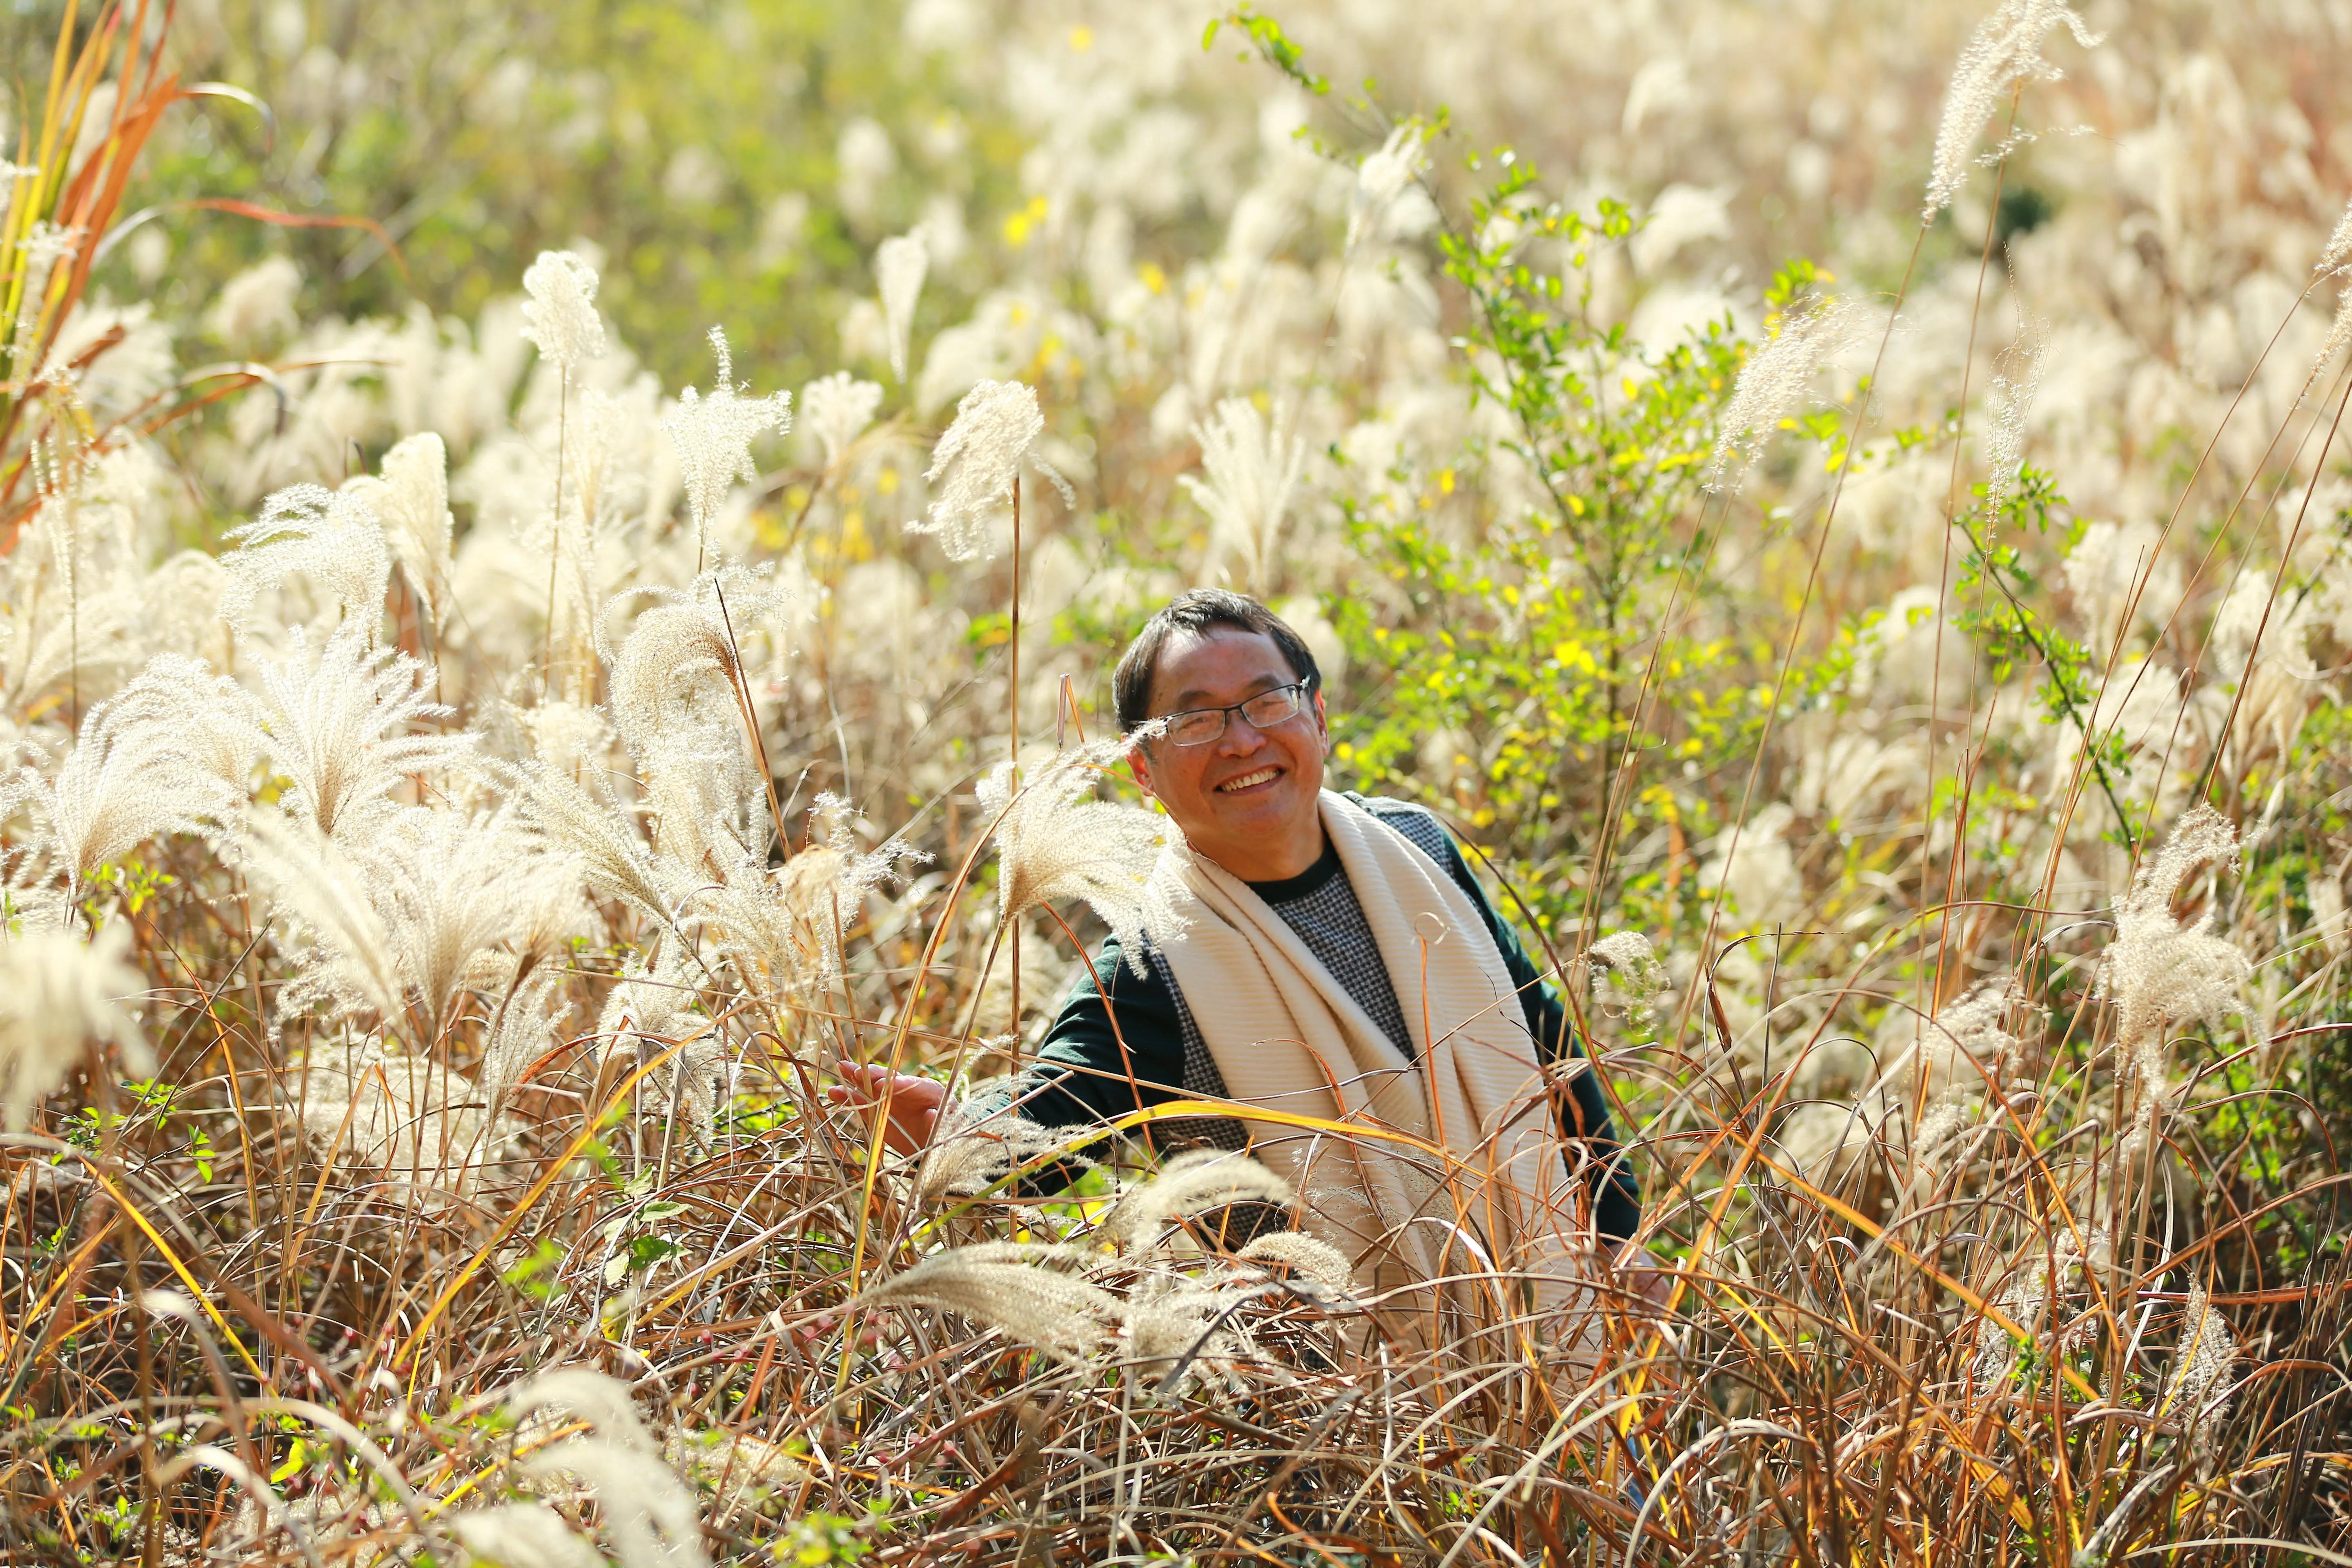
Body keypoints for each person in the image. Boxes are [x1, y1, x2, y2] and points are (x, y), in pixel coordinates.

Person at [835, 589, 1640, 1290]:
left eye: (1267, 701)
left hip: (1550, 1320)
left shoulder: (1418, 848)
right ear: (1143, 771)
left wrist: (1620, 1237)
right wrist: (942, 1127)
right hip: (1344, 1404)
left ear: (1317, 718)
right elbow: (1050, 1135)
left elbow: (1545, 1041)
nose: (1242, 740)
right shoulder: (1152, 966)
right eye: (1194, 721)